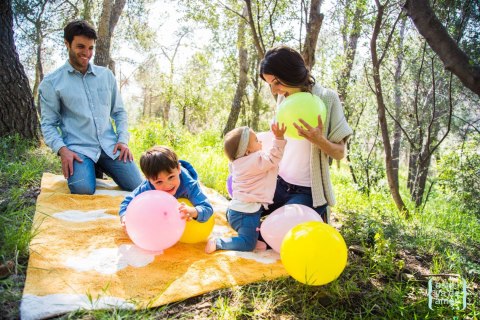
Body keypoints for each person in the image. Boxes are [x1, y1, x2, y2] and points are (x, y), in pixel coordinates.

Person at [39, 20, 142, 195]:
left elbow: (119, 112)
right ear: (67, 44)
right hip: (79, 149)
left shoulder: (106, 76)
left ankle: (100, 166)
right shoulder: (51, 83)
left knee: (137, 185)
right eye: (80, 47)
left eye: (90, 48)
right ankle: (88, 168)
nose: (87, 53)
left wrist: (122, 140)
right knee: (83, 189)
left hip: (110, 147)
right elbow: (48, 124)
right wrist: (62, 150)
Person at [259, 45, 353, 223]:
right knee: (238, 217)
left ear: (291, 72)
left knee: (277, 235)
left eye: (277, 82)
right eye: (270, 84)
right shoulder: (283, 97)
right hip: (278, 183)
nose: (274, 90)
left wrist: (319, 140)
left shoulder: (327, 98)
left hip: (306, 191)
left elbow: (340, 153)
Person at [205, 123, 287, 254]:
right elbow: (273, 158)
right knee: (247, 244)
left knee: (251, 235)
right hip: (246, 214)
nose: (260, 141)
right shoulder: (255, 160)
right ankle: (219, 242)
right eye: (256, 140)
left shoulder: (236, 163)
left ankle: (252, 238)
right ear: (248, 151)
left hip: (234, 211)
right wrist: (279, 138)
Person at [119, 146, 214, 226]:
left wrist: (193, 211)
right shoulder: (148, 186)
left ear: (178, 168)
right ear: (149, 180)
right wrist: (124, 217)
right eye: (159, 182)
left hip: (185, 182)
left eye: (171, 177)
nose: (167, 185)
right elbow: (128, 201)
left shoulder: (189, 185)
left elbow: (207, 208)